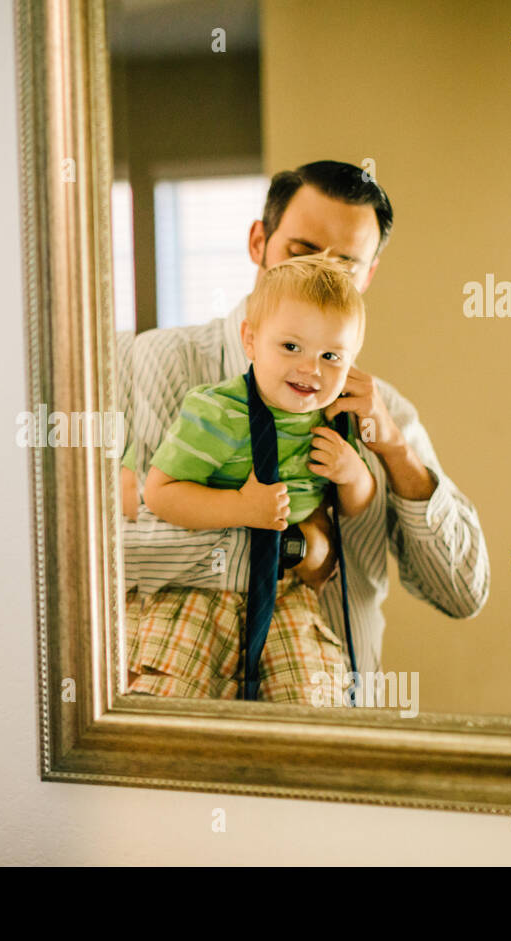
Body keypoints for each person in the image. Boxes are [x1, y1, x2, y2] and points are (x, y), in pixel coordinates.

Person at [122, 161, 489, 697]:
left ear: (368, 276)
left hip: (324, 713)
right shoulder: (164, 363)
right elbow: (117, 549)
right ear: (258, 242)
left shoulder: (388, 414)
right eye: (301, 251)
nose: (321, 274)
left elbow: (463, 593)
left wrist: (394, 451)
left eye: (346, 263)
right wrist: (298, 548)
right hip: (176, 683)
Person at [135, 254, 372, 701]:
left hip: (286, 594)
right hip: (200, 588)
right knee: (166, 706)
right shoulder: (216, 412)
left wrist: (352, 472)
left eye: (331, 356)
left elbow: (353, 507)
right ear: (250, 339)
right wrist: (241, 508)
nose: (311, 369)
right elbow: (158, 493)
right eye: (290, 347)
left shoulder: (333, 420)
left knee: (317, 700)